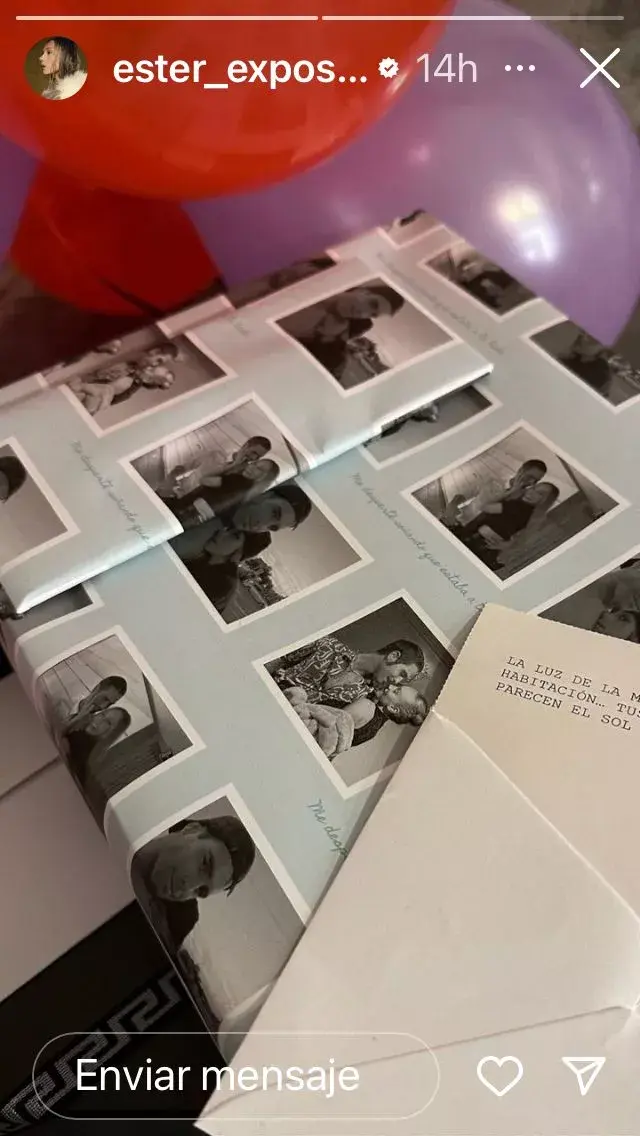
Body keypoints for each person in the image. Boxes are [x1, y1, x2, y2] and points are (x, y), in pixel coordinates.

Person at [170, 484, 312, 613]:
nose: (262, 525)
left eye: (273, 527)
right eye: (274, 512)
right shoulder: (218, 494)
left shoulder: (221, 572)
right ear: (265, 495)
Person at [132, 816, 256, 955]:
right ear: (192, 829)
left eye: (201, 891)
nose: (189, 887)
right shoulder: (130, 821)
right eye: (204, 864)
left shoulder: (163, 928)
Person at [283, 283, 405, 376]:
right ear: (362, 290)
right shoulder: (313, 283)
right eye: (372, 304)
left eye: (372, 314)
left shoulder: (335, 333)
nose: (363, 313)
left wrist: (324, 338)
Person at [271, 636, 426, 706]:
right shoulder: (328, 645)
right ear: (393, 656)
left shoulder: (362, 697)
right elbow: (275, 661)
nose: (397, 681)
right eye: (402, 674)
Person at [454, 481, 560, 571]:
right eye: (534, 488)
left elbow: (484, 506)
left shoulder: (520, 508)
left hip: (479, 543)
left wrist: (508, 545)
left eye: (540, 494)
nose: (532, 492)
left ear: (544, 501)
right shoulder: (527, 511)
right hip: (480, 544)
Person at [68, 343, 179, 416]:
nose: (154, 365)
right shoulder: (123, 356)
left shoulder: (133, 379)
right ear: (155, 351)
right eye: (159, 361)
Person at [63, 706, 132, 788]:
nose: (100, 720)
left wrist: (74, 721)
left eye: (108, 722)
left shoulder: (81, 745)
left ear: (111, 734)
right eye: (102, 714)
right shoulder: (80, 733)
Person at [58, 675, 127, 735]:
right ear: (96, 689)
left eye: (110, 704)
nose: (103, 706)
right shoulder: (61, 705)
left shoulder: (92, 727)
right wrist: (77, 718)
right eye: (105, 699)